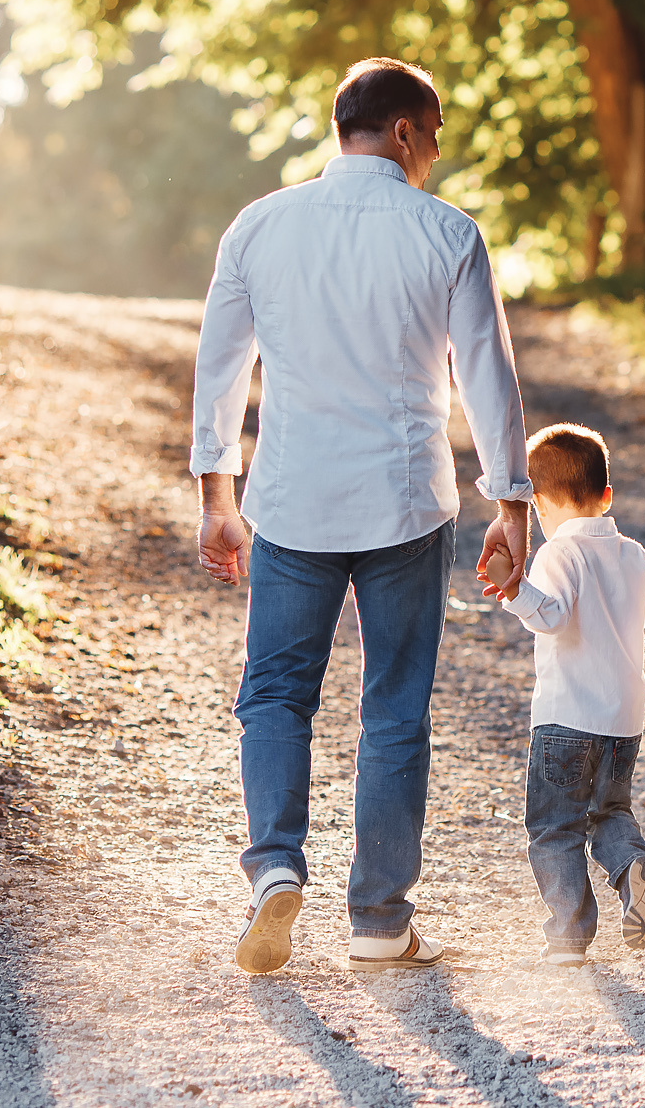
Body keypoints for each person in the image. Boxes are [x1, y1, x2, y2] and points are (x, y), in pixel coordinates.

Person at [190, 57, 535, 976]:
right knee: (394, 708)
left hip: (292, 499)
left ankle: (274, 867)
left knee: (275, 693)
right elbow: (488, 378)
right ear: (405, 131)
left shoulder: (259, 225)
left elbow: (220, 368)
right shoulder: (448, 232)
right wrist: (512, 504)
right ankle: (380, 920)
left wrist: (216, 495)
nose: (435, 156)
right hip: (405, 502)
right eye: (435, 137)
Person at [481, 422, 645, 967]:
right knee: (609, 812)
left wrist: (515, 591)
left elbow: (551, 617)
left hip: (566, 719)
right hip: (623, 721)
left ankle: (568, 937)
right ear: (607, 495)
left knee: (554, 827)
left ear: (539, 504)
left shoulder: (558, 552)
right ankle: (633, 868)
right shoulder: (632, 553)